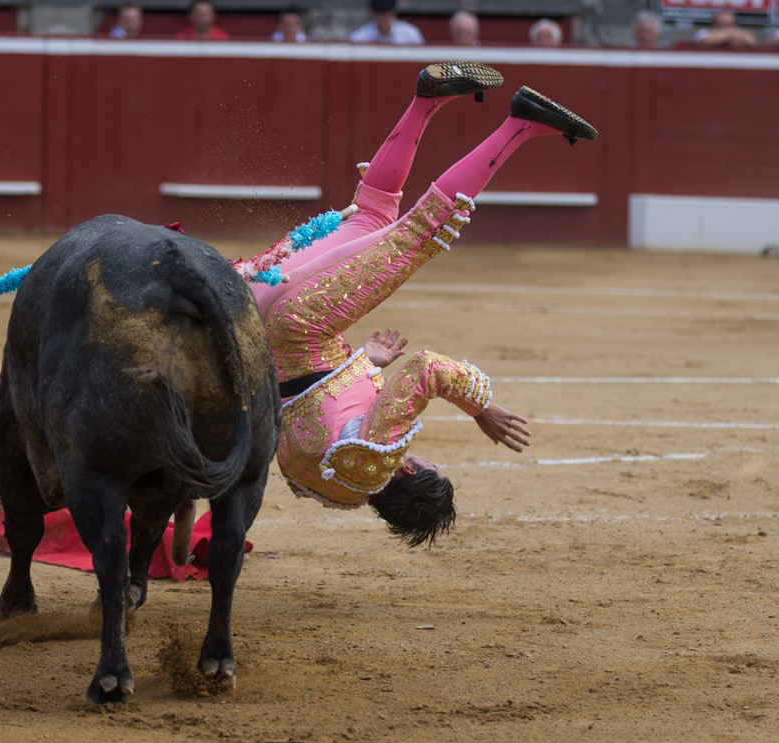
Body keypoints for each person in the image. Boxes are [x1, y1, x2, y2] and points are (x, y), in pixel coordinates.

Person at [248, 62, 596, 545]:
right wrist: (365, 364)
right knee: (372, 215)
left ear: (410, 473)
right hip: (258, 308)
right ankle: (427, 99)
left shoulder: (378, 456)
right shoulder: (328, 484)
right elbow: (305, 403)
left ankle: (522, 124)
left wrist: (482, 410)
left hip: (305, 320)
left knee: (421, 232)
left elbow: (429, 370)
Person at [349, 0, 423, 45]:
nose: (383, 18)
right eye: (380, 13)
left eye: (386, 13)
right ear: (373, 14)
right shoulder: (358, 38)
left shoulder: (410, 34)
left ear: (393, 12)